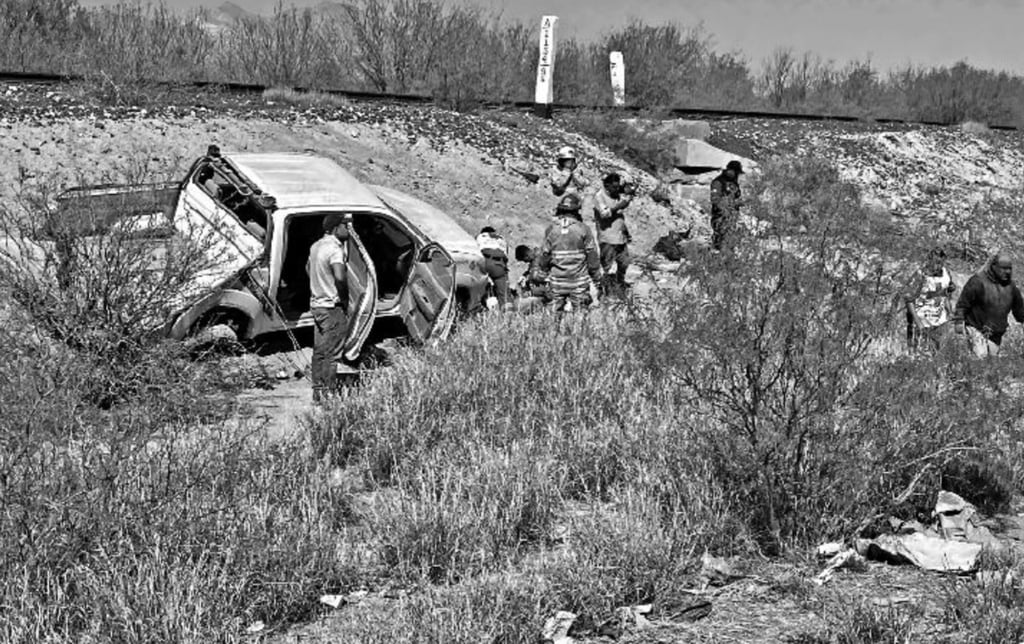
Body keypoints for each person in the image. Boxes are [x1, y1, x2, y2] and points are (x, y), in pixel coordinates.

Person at [306, 213, 352, 402]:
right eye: (345, 226)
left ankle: (318, 391)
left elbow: (308, 268)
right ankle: (329, 393)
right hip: (332, 306)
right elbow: (340, 278)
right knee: (333, 354)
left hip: (317, 304)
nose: (348, 230)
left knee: (319, 351)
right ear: (335, 227)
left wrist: (318, 284)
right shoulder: (335, 250)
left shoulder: (316, 246)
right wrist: (345, 299)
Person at [536, 193, 602, 312]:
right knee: (581, 315)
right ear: (577, 211)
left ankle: (552, 330)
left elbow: (545, 255)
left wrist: (542, 273)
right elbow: (592, 256)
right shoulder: (583, 229)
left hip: (557, 281)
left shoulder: (551, 229)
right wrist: (596, 277)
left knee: (553, 315)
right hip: (579, 282)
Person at [952, 251, 1024, 358]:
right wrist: (958, 321)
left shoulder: (1011, 288)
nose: (1007, 272)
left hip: (996, 333)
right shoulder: (977, 281)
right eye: (1003, 268)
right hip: (976, 328)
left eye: (1009, 269)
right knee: (981, 357)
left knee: (991, 363)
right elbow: (963, 303)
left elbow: (1019, 310)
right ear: (994, 267)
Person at [904, 248, 957, 351]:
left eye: (941, 263)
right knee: (919, 356)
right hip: (922, 324)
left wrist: (950, 312)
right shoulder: (920, 275)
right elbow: (909, 300)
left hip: (941, 323)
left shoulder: (946, 273)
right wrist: (918, 324)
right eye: (935, 263)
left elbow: (945, 296)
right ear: (929, 260)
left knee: (938, 356)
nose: (938, 266)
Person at [593, 171, 635, 296]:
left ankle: (620, 284)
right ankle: (608, 291)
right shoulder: (599, 196)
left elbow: (619, 216)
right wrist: (619, 205)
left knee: (624, 262)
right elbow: (604, 214)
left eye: (618, 186)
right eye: (614, 187)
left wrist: (626, 232)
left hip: (620, 237)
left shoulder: (616, 195)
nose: (617, 189)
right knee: (608, 266)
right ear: (607, 185)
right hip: (607, 238)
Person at [710, 160, 744, 251]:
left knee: (730, 242)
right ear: (730, 170)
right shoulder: (718, 182)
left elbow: (736, 196)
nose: (737, 175)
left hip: (732, 218)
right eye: (736, 172)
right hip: (721, 217)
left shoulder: (734, 183)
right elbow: (716, 201)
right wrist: (733, 204)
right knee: (721, 242)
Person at [476, 226, 511, 309]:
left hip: (483, 261)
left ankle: (478, 308)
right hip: (499, 264)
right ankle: (508, 312)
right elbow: (505, 256)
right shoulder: (501, 239)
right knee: (504, 293)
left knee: (478, 287)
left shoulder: (480, 237)